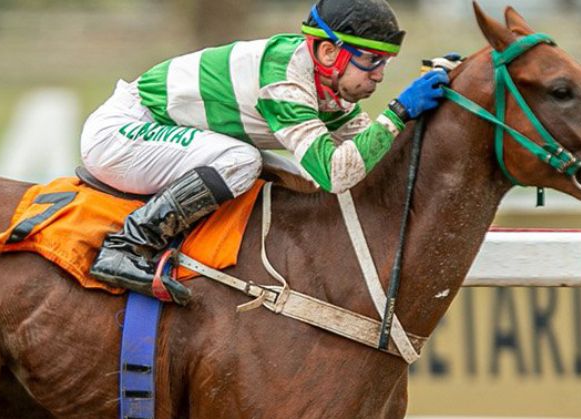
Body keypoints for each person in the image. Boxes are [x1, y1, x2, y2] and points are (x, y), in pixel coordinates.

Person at [81, 0, 452, 305]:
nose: (379, 76)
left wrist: (430, 110)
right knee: (242, 162)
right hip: (121, 134)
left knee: (298, 177)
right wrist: (399, 111)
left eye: (384, 63)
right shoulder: (286, 83)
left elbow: (368, 161)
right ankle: (126, 246)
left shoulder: (329, 89)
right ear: (328, 52)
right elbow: (337, 174)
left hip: (161, 132)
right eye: (371, 60)